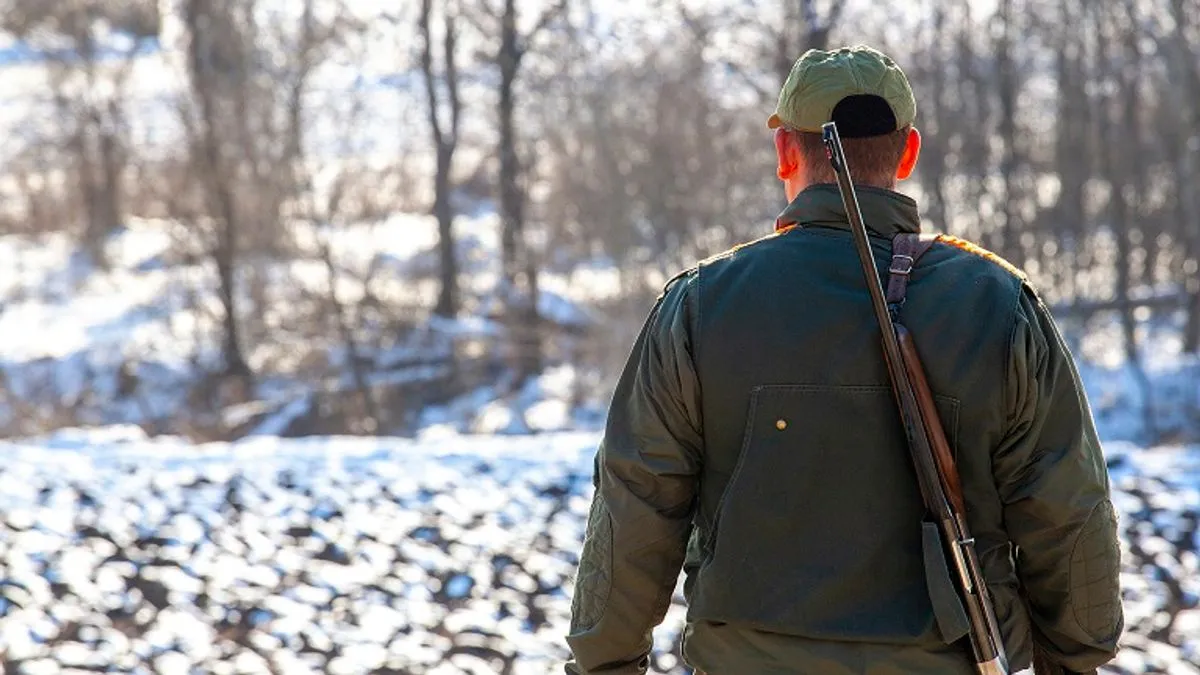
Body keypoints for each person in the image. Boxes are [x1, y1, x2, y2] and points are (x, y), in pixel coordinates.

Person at [563, 44, 1123, 675]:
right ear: (908, 151)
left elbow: (637, 498)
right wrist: (1074, 655)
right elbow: (1068, 506)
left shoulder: (699, 305)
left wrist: (605, 662)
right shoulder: (1000, 304)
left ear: (784, 154)